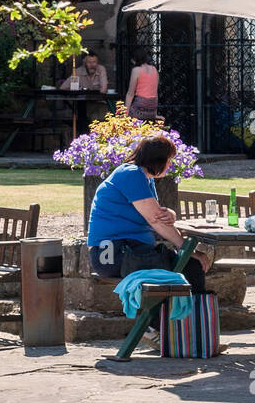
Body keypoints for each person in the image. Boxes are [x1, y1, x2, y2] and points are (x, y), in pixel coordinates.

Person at [86, 134, 210, 288]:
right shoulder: (131, 174)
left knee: (187, 264)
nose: (170, 165)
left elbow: (155, 215)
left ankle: (174, 311)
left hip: (127, 250)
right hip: (112, 255)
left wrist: (170, 214)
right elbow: (155, 220)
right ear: (158, 160)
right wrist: (188, 250)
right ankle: (191, 311)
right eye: (169, 160)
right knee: (188, 265)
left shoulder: (143, 177)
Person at [125, 48, 160, 121]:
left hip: (140, 105)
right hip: (152, 108)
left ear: (134, 59)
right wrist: (155, 114)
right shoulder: (154, 69)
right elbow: (155, 93)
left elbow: (130, 94)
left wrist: (125, 114)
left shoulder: (136, 70)